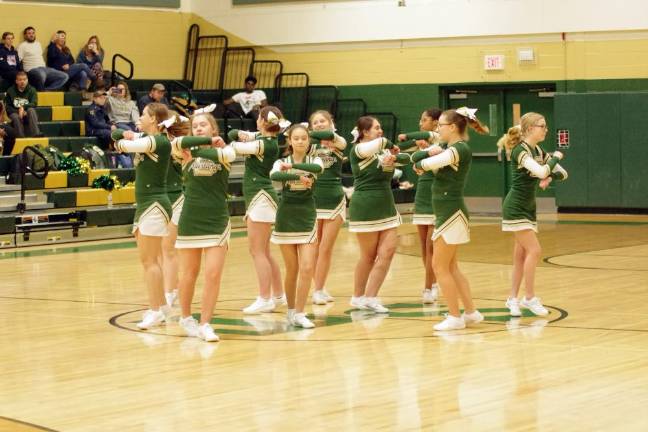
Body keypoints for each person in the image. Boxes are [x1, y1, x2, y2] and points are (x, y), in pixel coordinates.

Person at [412, 107, 488, 331]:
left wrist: (426, 157)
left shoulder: (458, 150)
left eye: (440, 125)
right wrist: (426, 155)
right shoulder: (449, 147)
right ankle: (471, 312)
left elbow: (422, 163)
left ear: (452, 127)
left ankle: (455, 317)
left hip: (451, 212)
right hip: (447, 212)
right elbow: (417, 158)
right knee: (451, 267)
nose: (437, 129)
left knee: (439, 265)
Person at [171, 112, 233, 342]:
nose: (198, 128)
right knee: (189, 273)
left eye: (203, 125)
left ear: (213, 128)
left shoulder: (225, 152)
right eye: (194, 126)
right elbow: (176, 143)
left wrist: (211, 145)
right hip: (191, 219)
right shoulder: (183, 151)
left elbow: (228, 152)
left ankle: (206, 323)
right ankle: (186, 317)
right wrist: (203, 143)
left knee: (213, 274)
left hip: (216, 219)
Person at [499, 113, 568, 317]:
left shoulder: (538, 150)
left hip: (528, 208)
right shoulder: (520, 150)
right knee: (535, 250)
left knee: (520, 256)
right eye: (542, 126)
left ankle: (512, 299)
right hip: (515, 207)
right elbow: (539, 171)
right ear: (529, 129)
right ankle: (529, 298)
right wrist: (554, 160)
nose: (545, 129)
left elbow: (563, 174)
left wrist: (548, 173)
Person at [111, 103, 173, 329]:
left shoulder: (157, 141)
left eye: (144, 114)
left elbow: (123, 145)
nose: (139, 117)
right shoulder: (147, 138)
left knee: (149, 261)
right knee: (151, 260)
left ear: (154, 119)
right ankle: (163, 306)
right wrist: (123, 134)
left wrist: (123, 138)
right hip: (147, 205)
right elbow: (116, 134)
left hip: (154, 205)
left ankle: (155, 310)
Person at [348, 116, 411, 313]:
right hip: (365, 207)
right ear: (365, 132)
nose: (380, 130)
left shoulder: (382, 151)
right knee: (368, 256)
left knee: (388, 252)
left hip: (386, 206)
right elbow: (384, 143)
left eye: (380, 127)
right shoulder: (358, 150)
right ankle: (357, 296)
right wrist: (393, 148)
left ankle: (371, 297)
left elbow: (406, 159)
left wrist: (396, 156)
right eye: (376, 128)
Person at [229, 106, 285, 314]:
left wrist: (243, 136)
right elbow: (235, 134)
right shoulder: (267, 141)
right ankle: (278, 295)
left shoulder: (261, 144)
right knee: (265, 252)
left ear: (262, 121)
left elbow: (233, 143)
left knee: (257, 251)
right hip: (260, 197)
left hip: (261, 198)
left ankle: (264, 298)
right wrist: (246, 134)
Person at [270, 124, 324, 328]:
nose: (300, 141)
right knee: (292, 269)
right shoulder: (280, 161)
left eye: (304, 138)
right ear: (290, 141)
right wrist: (295, 175)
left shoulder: (315, 161)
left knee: (307, 267)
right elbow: (274, 176)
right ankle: (291, 311)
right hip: (286, 217)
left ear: (309, 140)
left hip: (307, 215)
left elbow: (318, 169)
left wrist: (292, 170)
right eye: (297, 138)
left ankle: (301, 312)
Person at [397, 108, 442, 304]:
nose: (420, 123)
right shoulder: (422, 145)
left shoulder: (441, 140)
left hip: (437, 193)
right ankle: (433, 281)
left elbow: (423, 136)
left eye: (424, 120)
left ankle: (429, 286)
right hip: (422, 194)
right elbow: (401, 148)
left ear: (435, 123)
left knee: (432, 245)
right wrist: (415, 145)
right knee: (424, 246)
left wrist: (408, 136)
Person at [307, 110, 347, 305]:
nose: (320, 124)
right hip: (313, 198)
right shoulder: (308, 144)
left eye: (323, 121)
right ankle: (318, 287)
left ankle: (319, 288)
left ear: (331, 123)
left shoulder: (338, 141)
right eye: (315, 122)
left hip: (334, 198)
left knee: (325, 248)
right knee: (314, 246)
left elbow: (336, 140)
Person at [17, 26, 68, 91]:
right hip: (32, 69)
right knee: (41, 75)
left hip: (44, 68)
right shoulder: (22, 46)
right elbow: (18, 60)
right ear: (25, 35)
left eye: (33, 33)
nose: (31, 35)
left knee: (64, 76)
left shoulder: (38, 44)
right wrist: (22, 72)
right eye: (29, 33)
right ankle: (41, 91)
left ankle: (47, 90)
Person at [4, 71, 41, 138]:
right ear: (16, 81)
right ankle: (21, 137)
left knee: (31, 110)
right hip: (15, 113)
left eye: (24, 79)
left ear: (27, 80)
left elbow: (34, 103)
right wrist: (18, 111)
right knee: (15, 117)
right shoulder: (10, 90)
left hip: (27, 113)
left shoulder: (32, 90)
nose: (22, 82)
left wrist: (23, 108)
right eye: (20, 80)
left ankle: (36, 135)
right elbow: (8, 107)